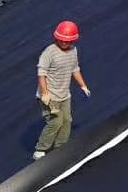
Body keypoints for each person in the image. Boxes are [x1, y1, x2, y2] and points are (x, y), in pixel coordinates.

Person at [34, 20, 91, 160]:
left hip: (65, 95)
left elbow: (75, 69)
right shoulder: (49, 52)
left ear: (73, 41)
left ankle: (61, 148)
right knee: (55, 121)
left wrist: (83, 86)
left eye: (67, 41)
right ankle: (40, 150)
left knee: (67, 121)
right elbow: (42, 74)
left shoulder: (73, 51)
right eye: (61, 40)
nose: (64, 43)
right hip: (50, 96)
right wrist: (45, 93)